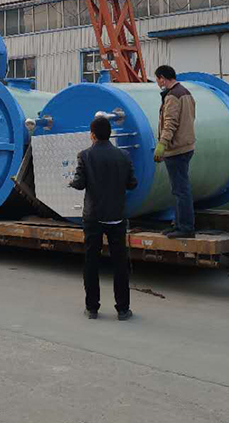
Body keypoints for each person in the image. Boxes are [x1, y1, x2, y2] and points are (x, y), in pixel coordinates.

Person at [69, 115, 138, 320]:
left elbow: (79, 183)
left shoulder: (85, 156)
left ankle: (92, 308)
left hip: (94, 218)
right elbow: (132, 183)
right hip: (116, 217)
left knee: (91, 262)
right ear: (110, 134)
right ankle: (123, 309)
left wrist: (72, 182)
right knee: (120, 263)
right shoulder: (123, 156)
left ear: (92, 135)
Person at [153, 65, 196, 238]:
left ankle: (185, 228)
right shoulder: (186, 92)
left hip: (176, 150)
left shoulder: (172, 96)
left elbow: (170, 123)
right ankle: (178, 224)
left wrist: (162, 145)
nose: (157, 83)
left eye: (157, 79)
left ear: (163, 78)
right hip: (186, 146)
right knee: (179, 189)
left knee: (180, 191)